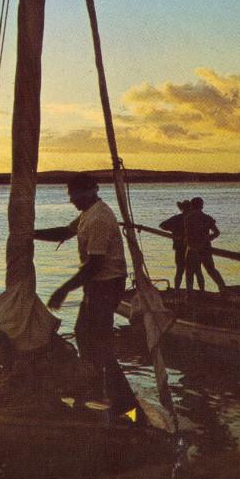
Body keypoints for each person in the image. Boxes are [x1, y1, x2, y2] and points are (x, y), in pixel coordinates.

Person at [33, 173, 141, 421]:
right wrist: (30, 233)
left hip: (106, 285)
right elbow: (64, 231)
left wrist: (63, 289)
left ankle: (124, 402)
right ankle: (95, 387)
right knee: (83, 334)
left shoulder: (100, 217)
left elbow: (95, 265)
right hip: (96, 286)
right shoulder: (87, 214)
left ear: (92, 191)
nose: (72, 200)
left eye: (76, 195)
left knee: (98, 343)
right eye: (70, 195)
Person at [183, 197, 228, 299]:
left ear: (191, 206)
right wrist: (207, 239)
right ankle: (223, 289)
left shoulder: (188, 218)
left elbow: (187, 234)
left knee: (189, 272)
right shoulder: (207, 218)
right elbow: (217, 233)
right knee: (211, 269)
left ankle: (189, 294)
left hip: (192, 248)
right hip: (205, 248)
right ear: (201, 206)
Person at [159, 200, 194, 291]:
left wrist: (174, 231)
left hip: (179, 246)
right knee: (190, 271)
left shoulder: (176, 218)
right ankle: (188, 290)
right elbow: (162, 225)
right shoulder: (192, 218)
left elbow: (162, 225)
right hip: (190, 247)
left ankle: (177, 290)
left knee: (180, 270)